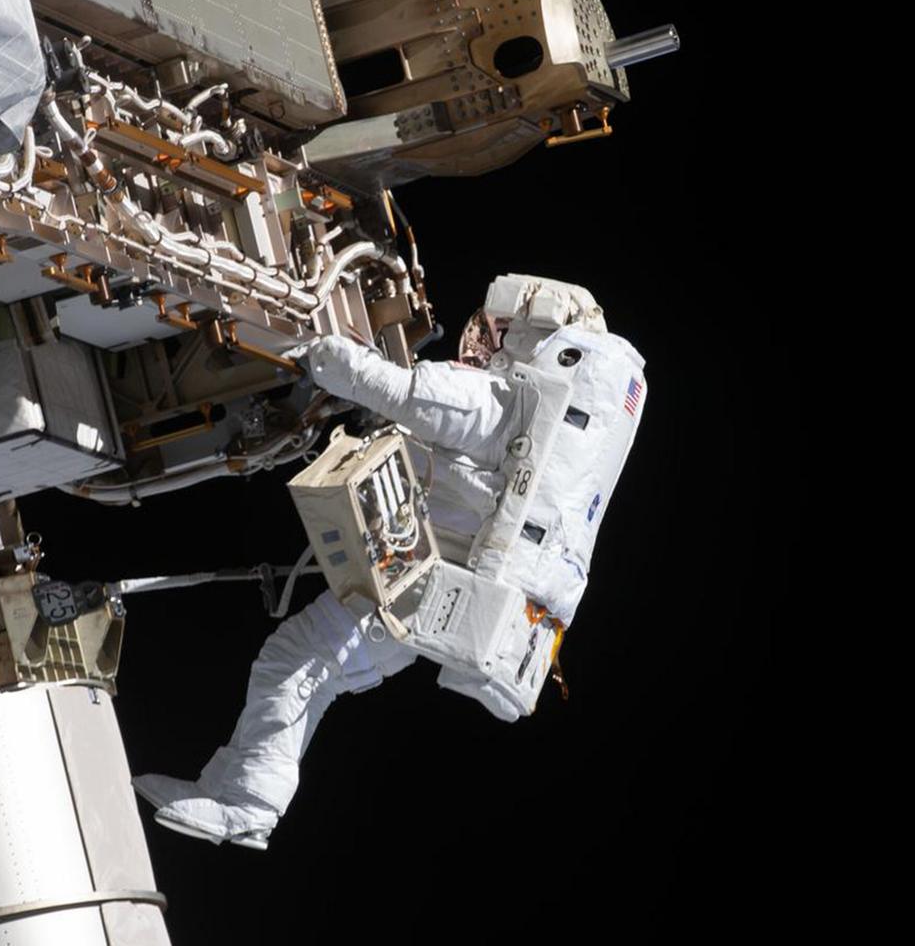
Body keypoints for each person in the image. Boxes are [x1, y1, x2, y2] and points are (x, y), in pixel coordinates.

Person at [133, 274, 646, 849]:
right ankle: (228, 789)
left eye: (504, 330)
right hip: (447, 591)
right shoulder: (557, 426)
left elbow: (403, 393)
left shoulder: (503, 403)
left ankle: (248, 807)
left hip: (424, 585)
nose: (494, 343)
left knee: (296, 662)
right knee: (304, 668)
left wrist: (314, 351)